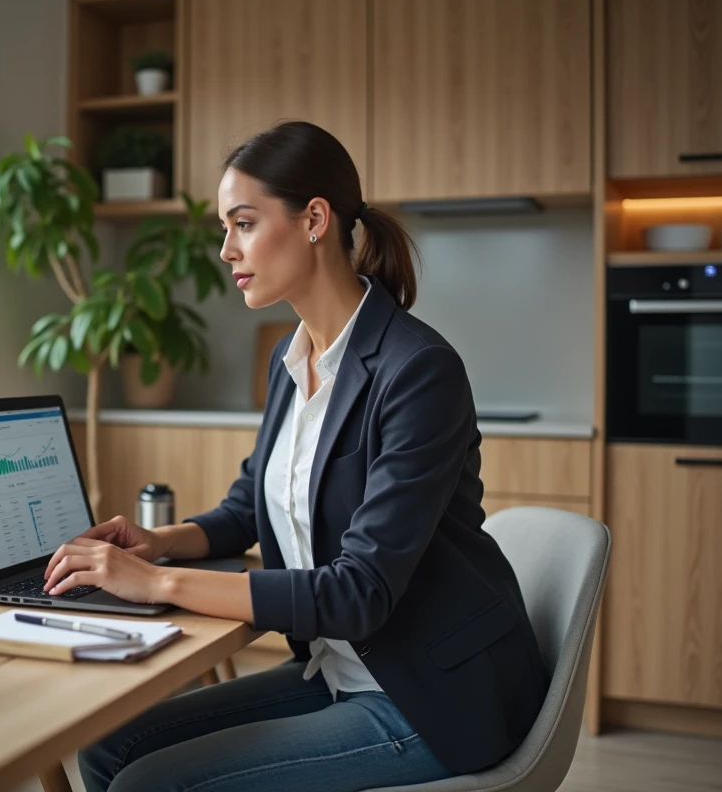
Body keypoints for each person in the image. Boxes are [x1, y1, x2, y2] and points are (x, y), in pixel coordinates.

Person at [41, 121, 549, 792]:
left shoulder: (418, 371)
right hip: (336, 672)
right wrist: (156, 543)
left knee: (149, 783)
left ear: (314, 219)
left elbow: (359, 593)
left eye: (243, 224)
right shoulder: (293, 361)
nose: (226, 249)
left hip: (425, 696)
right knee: (109, 749)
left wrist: (157, 584)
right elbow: (250, 506)